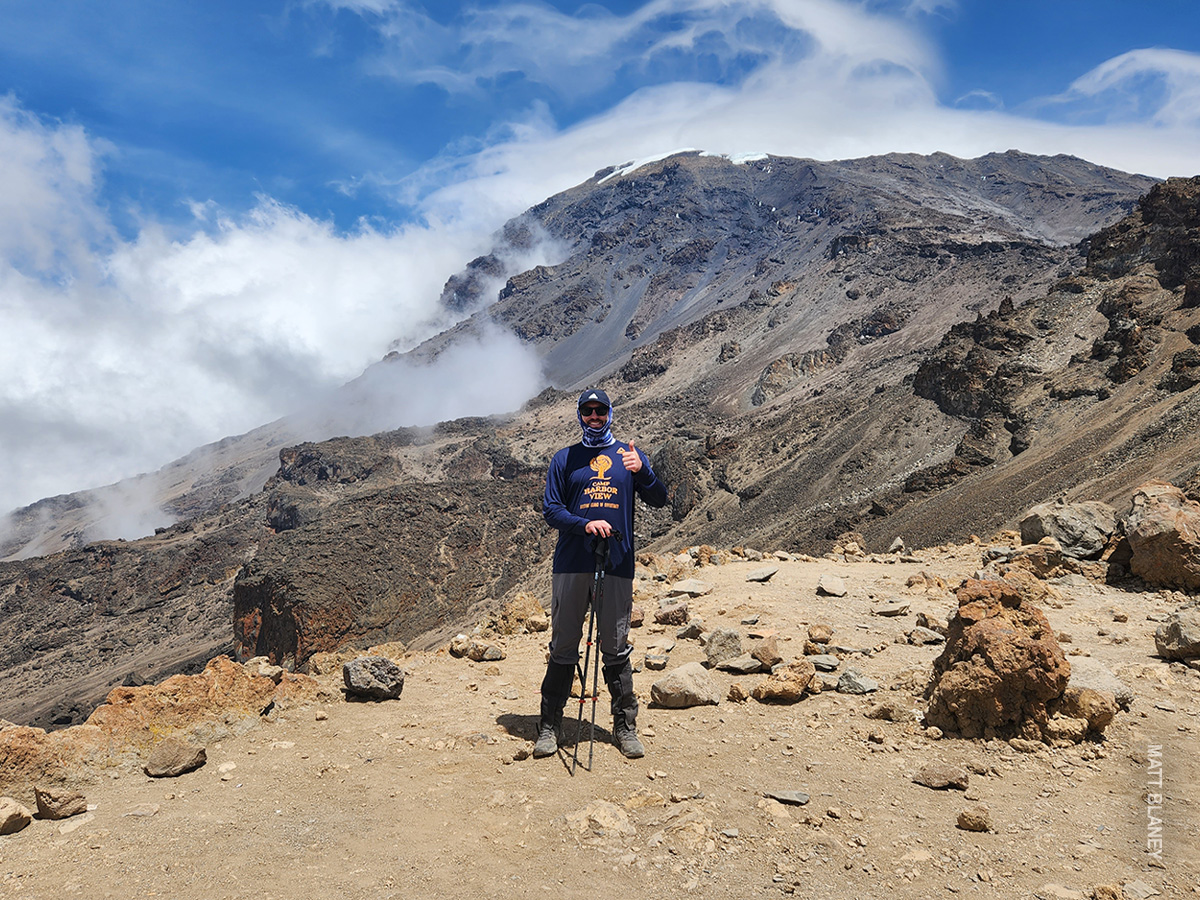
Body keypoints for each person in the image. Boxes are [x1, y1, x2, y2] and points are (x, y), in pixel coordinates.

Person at [534, 388, 668, 759]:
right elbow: (551, 511)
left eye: (600, 411)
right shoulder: (565, 459)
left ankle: (625, 727)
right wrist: (584, 524)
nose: (594, 417)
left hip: (618, 563)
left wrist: (644, 470)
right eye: (588, 411)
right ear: (579, 415)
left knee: (616, 645)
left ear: (610, 413)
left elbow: (660, 499)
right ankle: (549, 725)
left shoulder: (627, 456)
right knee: (563, 645)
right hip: (572, 563)